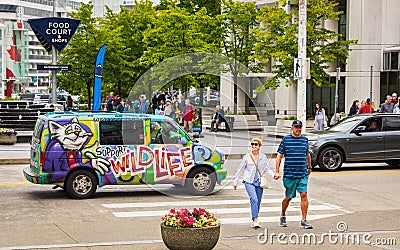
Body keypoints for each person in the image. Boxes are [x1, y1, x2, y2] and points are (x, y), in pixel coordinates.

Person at [275, 120, 313, 229]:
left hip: (302, 173)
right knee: (288, 197)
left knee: (303, 194)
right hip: (289, 174)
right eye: (296, 127)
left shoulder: (304, 140)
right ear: (292, 128)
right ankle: (283, 215)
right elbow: (279, 156)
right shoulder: (286, 140)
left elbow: (308, 155)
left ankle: (304, 220)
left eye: (300, 127)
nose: (298, 129)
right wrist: (277, 170)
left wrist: (309, 167)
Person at [233, 138, 274, 228]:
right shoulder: (247, 157)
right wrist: (235, 182)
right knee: (254, 199)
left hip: (259, 182)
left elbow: (267, 168)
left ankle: (254, 219)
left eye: (256, 144)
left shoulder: (263, 157)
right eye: (252, 144)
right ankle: (255, 220)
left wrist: (273, 175)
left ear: (259, 146)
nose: (253, 146)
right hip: (249, 181)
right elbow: (240, 169)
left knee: (258, 201)